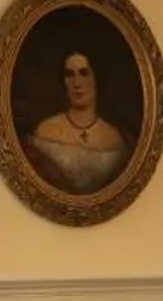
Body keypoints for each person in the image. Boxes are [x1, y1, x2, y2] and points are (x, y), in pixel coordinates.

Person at [24, 52, 128, 195]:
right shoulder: (46, 130)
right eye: (69, 75)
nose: (77, 83)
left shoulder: (113, 137)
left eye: (84, 73)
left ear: (97, 78)